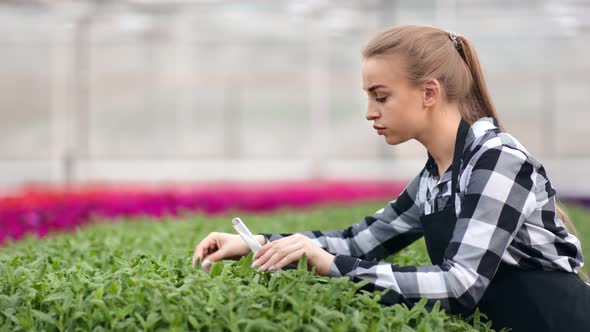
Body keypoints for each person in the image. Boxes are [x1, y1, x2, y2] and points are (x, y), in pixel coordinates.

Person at [192, 25, 590, 331]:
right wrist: (259, 243)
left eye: (380, 97)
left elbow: (461, 285)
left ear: (429, 93)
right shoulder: (435, 177)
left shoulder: (497, 160)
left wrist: (333, 265)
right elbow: (359, 242)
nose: (370, 111)